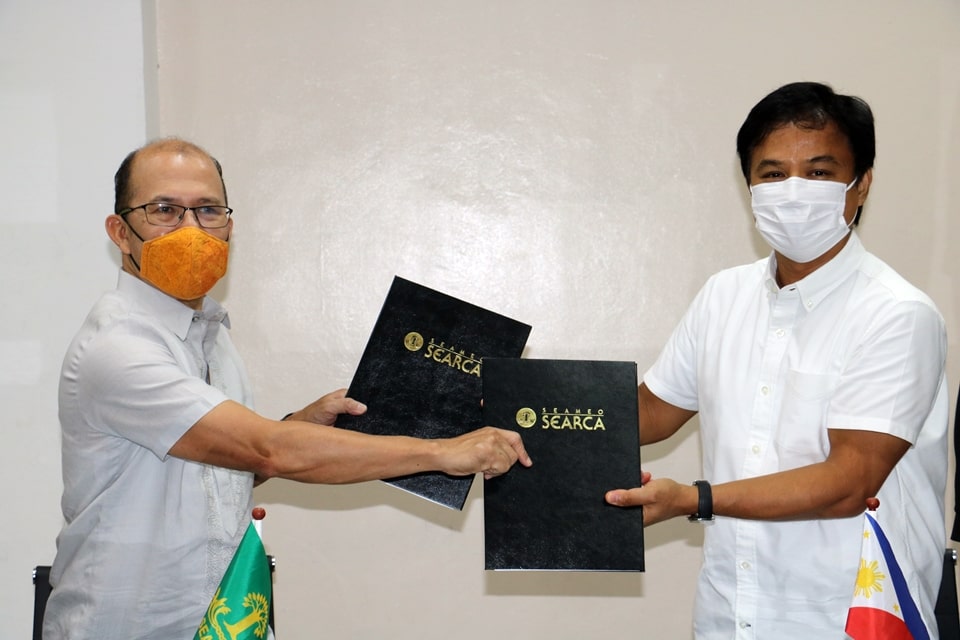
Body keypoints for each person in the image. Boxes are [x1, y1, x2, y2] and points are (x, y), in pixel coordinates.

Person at [44, 137, 532, 639]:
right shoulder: (117, 347)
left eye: (208, 210)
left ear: (229, 226)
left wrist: (298, 426)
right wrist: (442, 453)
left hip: (219, 624)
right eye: (164, 210)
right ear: (120, 233)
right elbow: (267, 452)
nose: (191, 230)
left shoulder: (211, 337)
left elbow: (222, 466)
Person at [605, 82, 948, 637]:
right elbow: (650, 413)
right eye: (771, 173)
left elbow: (849, 481)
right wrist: (517, 405)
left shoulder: (897, 313)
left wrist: (693, 499)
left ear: (861, 187)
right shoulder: (724, 295)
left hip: (850, 614)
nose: (792, 191)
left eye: (818, 172)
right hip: (730, 612)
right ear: (749, 187)